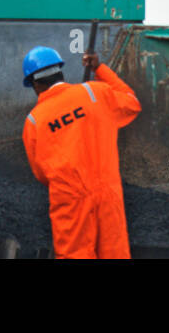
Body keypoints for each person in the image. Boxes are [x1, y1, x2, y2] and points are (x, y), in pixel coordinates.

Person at [21, 46, 140, 259]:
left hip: (70, 200)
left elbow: (41, 174)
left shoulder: (34, 120)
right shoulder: (95, 92)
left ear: (35, 84)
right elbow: (131, 102)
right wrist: (100, 69)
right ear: (60, 72)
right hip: (108, 194)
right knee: (114, 253)